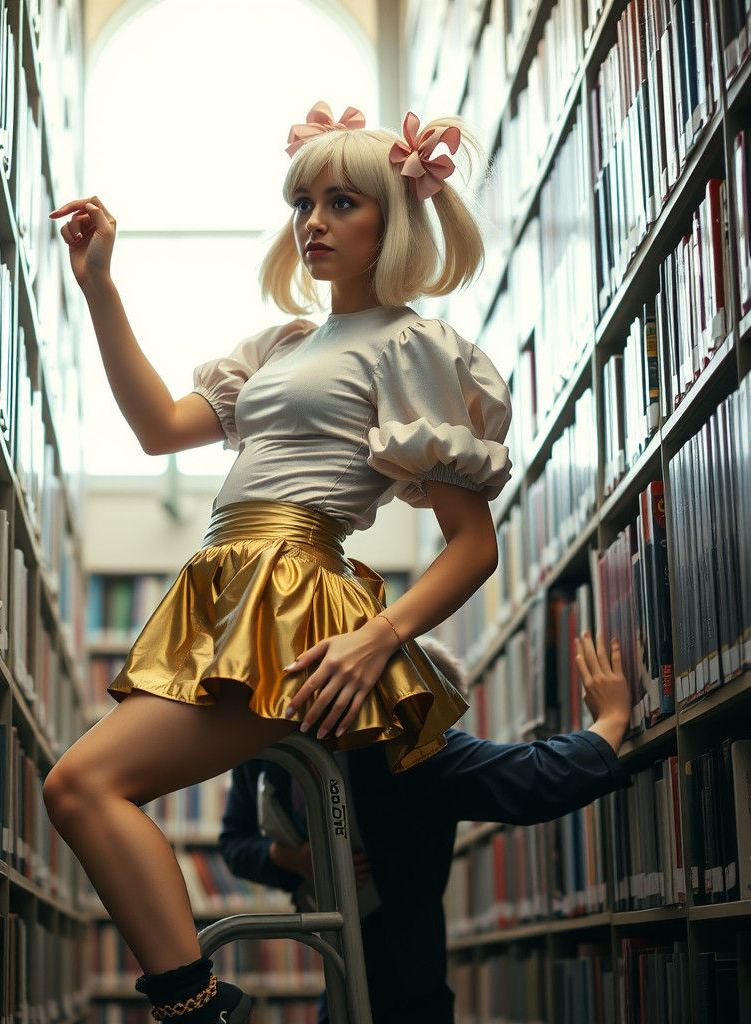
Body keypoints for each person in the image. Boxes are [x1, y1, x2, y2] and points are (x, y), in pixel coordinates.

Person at [42, 100, 513, 1024]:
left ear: (396, 218)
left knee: (82, 783)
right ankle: (203, 1002)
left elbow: (475, 543)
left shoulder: (409, 344)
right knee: (82, 786)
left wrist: (378, 639)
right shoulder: (285, 343)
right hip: (226, 590)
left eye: (343, 203)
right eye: (303, 203)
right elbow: (156, 430)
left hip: (296, 606)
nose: (313, 223)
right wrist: (100, 286)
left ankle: (203, 1007)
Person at [220, 630, 631, 1023]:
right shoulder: (267, 739)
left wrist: (611, 721)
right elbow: (235, 843)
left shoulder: (403, 739)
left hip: (406, 967)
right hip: (337, 955)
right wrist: (290, 859)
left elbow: (529, 777)